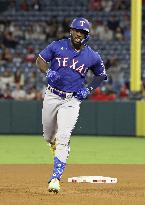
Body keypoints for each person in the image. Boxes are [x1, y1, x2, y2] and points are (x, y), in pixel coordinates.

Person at [36, 17, 107, 193]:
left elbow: (101, 75)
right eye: (76, 30)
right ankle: (54, 144)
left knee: (63, 136)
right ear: (71, 30)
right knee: (47, 136)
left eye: (83, 32)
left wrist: (88, 89)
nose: (79, 34)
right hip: (52, 95)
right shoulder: (57, 46)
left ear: (87, 35)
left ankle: (55, 178)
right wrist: (48, 72)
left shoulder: (92, 55)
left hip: (72, 100)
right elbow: (40, 60)